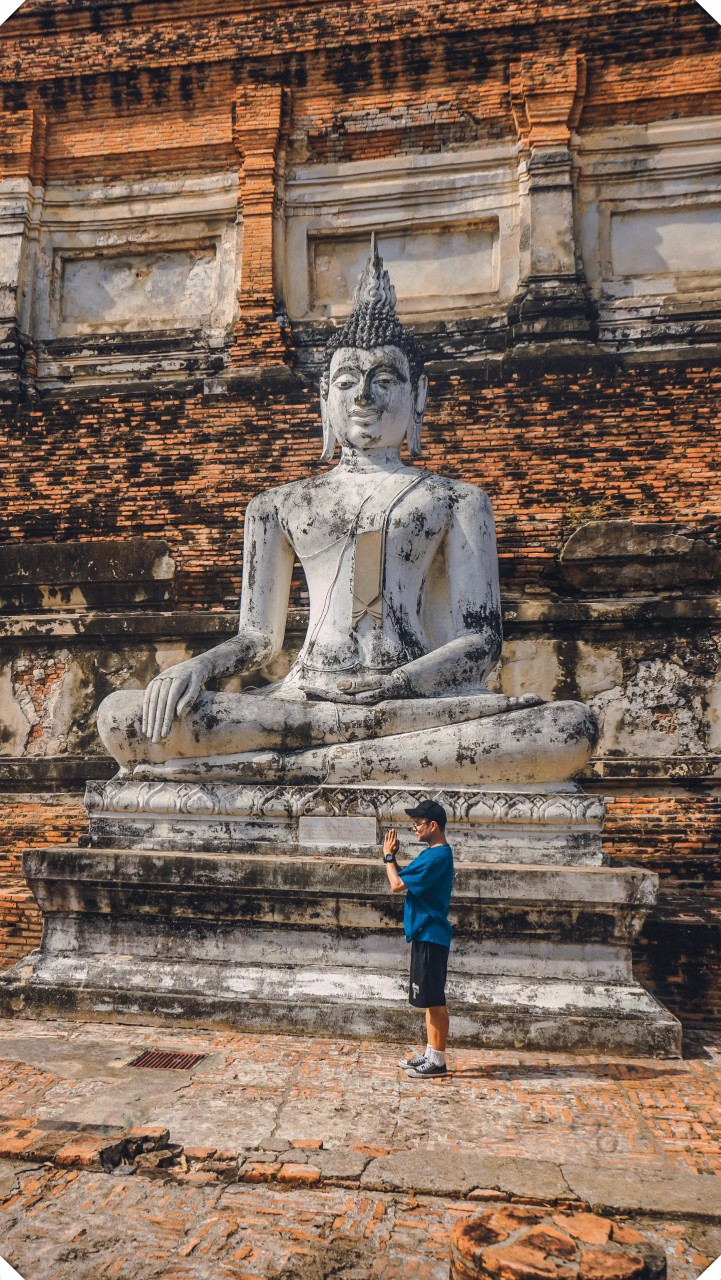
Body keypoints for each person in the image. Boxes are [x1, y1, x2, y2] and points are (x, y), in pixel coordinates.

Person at [383, 798, 454, 1080]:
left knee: (435, 1000)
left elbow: (396, 884)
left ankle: (438, 1060)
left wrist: (388, 857)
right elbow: (405, 879)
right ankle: (430, 1053)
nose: (414, 828)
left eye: (418, 823)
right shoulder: (431, 854)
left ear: (433, 825)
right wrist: (394, 860)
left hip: (431, 933)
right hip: (425, 932)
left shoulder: (438, 856)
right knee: (427, 999)